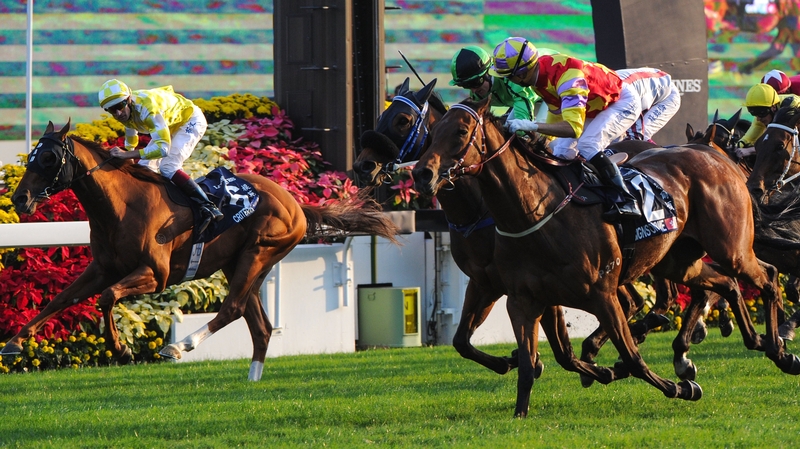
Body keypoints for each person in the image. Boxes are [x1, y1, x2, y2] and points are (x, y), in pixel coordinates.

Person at [490, 37, 641, 220]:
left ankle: (627, 201)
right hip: (593, 107)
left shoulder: (567, 77)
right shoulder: (537, 77)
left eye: (508, 76)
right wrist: (541, 138)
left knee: (588, 145)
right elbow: (556, 111)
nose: (507, 81)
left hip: (620, 102)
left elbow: (573, 128)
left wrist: (533, 125)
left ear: (521, 73)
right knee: (560, 152)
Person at [98, 79, 224, 233]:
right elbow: (131, 131)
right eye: (111, 110)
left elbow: (163, 149)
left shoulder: (148, 109)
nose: (117, 113)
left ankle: (208, 207)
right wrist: (129, 153)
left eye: (119, 106)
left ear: (129, 100)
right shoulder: (126, 109)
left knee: (168, 166)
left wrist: (127, 154)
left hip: (190, 121)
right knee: (144, 168)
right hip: (170, 123)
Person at [449, 45, 546, 122]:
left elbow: (524, 127)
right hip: (530, 98)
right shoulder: (477, 93)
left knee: (541, 137)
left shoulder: (512, 79)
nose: (473, 90)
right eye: (466, 85)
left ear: (488, 72)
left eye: (475, 82)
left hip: (552, 90)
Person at [735, 83, 800, 160]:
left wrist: (750, 150)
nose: (758, 119)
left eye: (761, 113)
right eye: (754, 114)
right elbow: (751, 135)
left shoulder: (790, 107)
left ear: (773, 108)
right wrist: (739, 144)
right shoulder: (766, 111)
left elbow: (775, 143)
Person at [615, 67, 681, 143]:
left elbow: (635, 117)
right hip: (647, 87)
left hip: (668, 95)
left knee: (643, 135)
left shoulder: (621, 91)